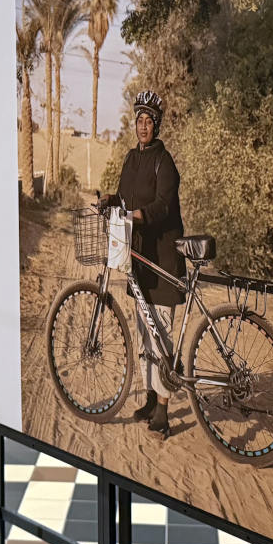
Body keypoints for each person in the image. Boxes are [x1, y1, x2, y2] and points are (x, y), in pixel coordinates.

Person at [98, 89, 184, 438]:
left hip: (163, 257)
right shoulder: (131, 159)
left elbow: (164, 204)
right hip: (139, 259)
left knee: (160, 332)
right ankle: (150, 397)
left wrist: (140, 214)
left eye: (149, 121)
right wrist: (111, 199)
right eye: (139, 120)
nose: (143, 126)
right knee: (144, 332)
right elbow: (124, 196)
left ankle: (163, 409)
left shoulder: (165, 161)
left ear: (157, 125)